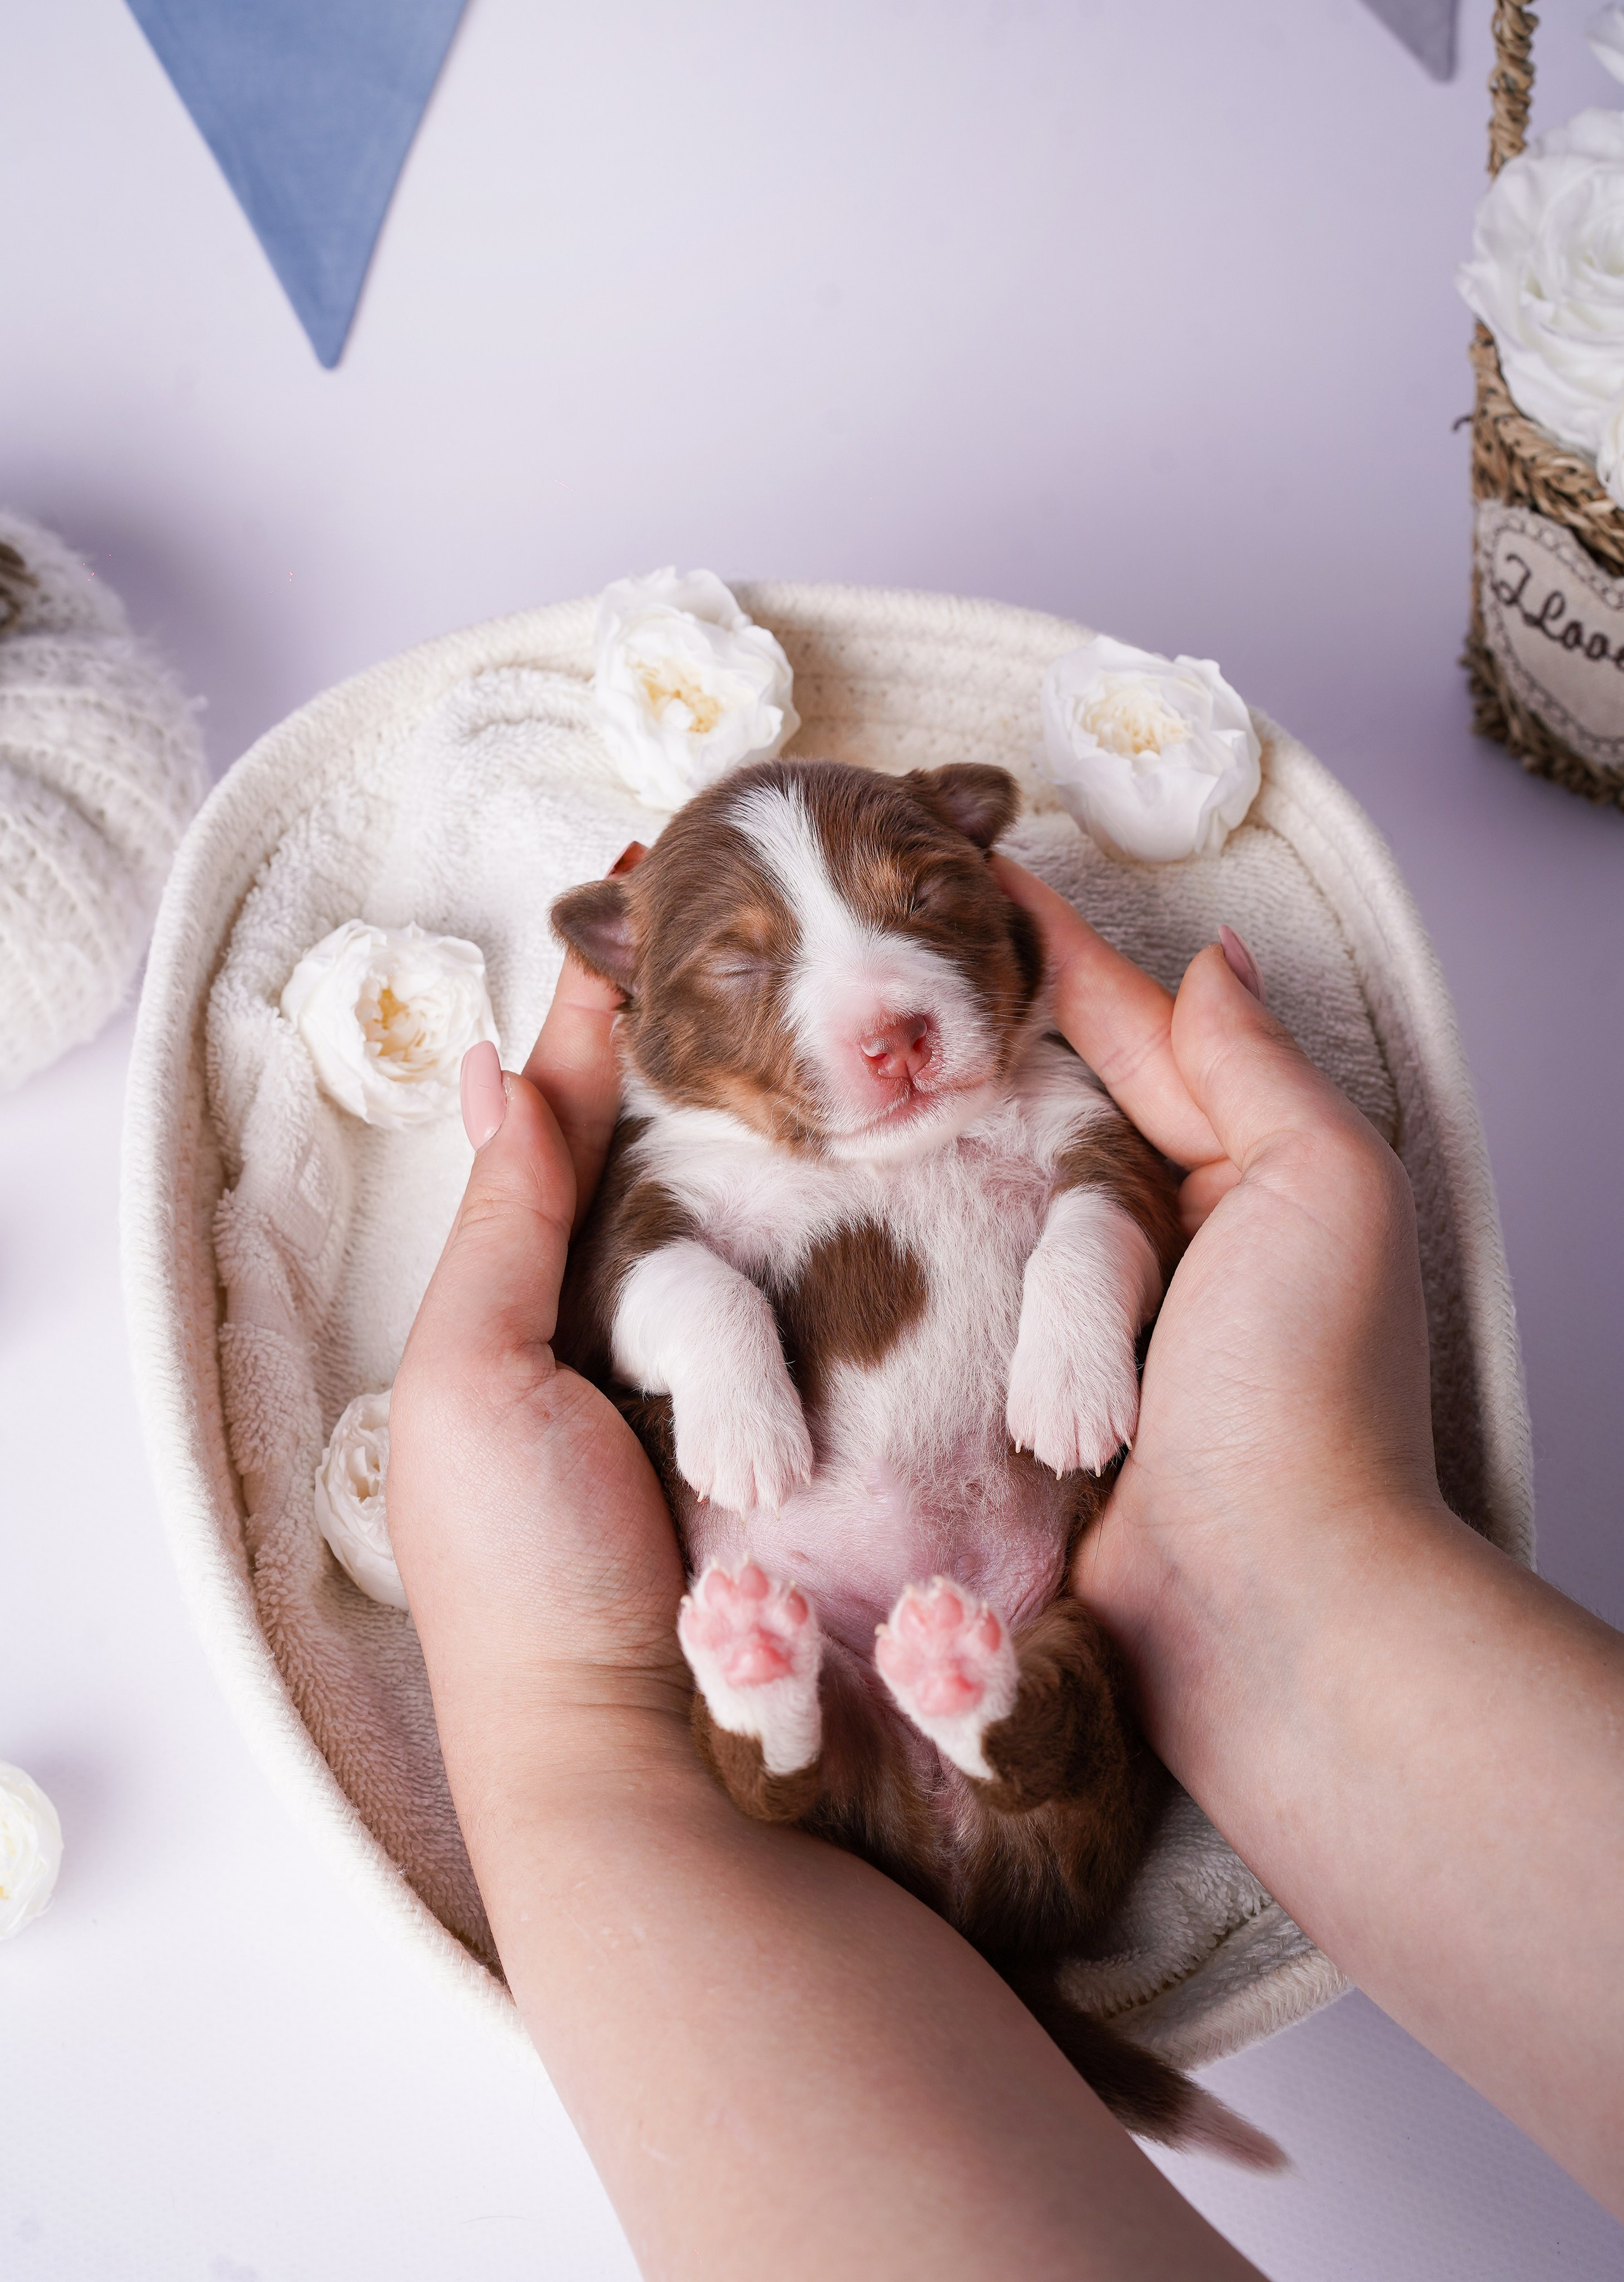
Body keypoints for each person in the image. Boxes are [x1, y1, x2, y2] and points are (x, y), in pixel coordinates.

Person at [388, 860, 1624, 2281]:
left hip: (1031, 1599)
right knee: (805, 1731)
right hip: (858, 1640)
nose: (873, 1017)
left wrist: (565, 1723)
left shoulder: (1028, 1084)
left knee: (1065, 1710)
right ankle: (799, 1713)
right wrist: (701, 1335)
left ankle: (937, 1717)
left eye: (910, 909)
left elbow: (1109, 1204)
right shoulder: (688, 1149)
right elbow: (651, 1282)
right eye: (744, 968)